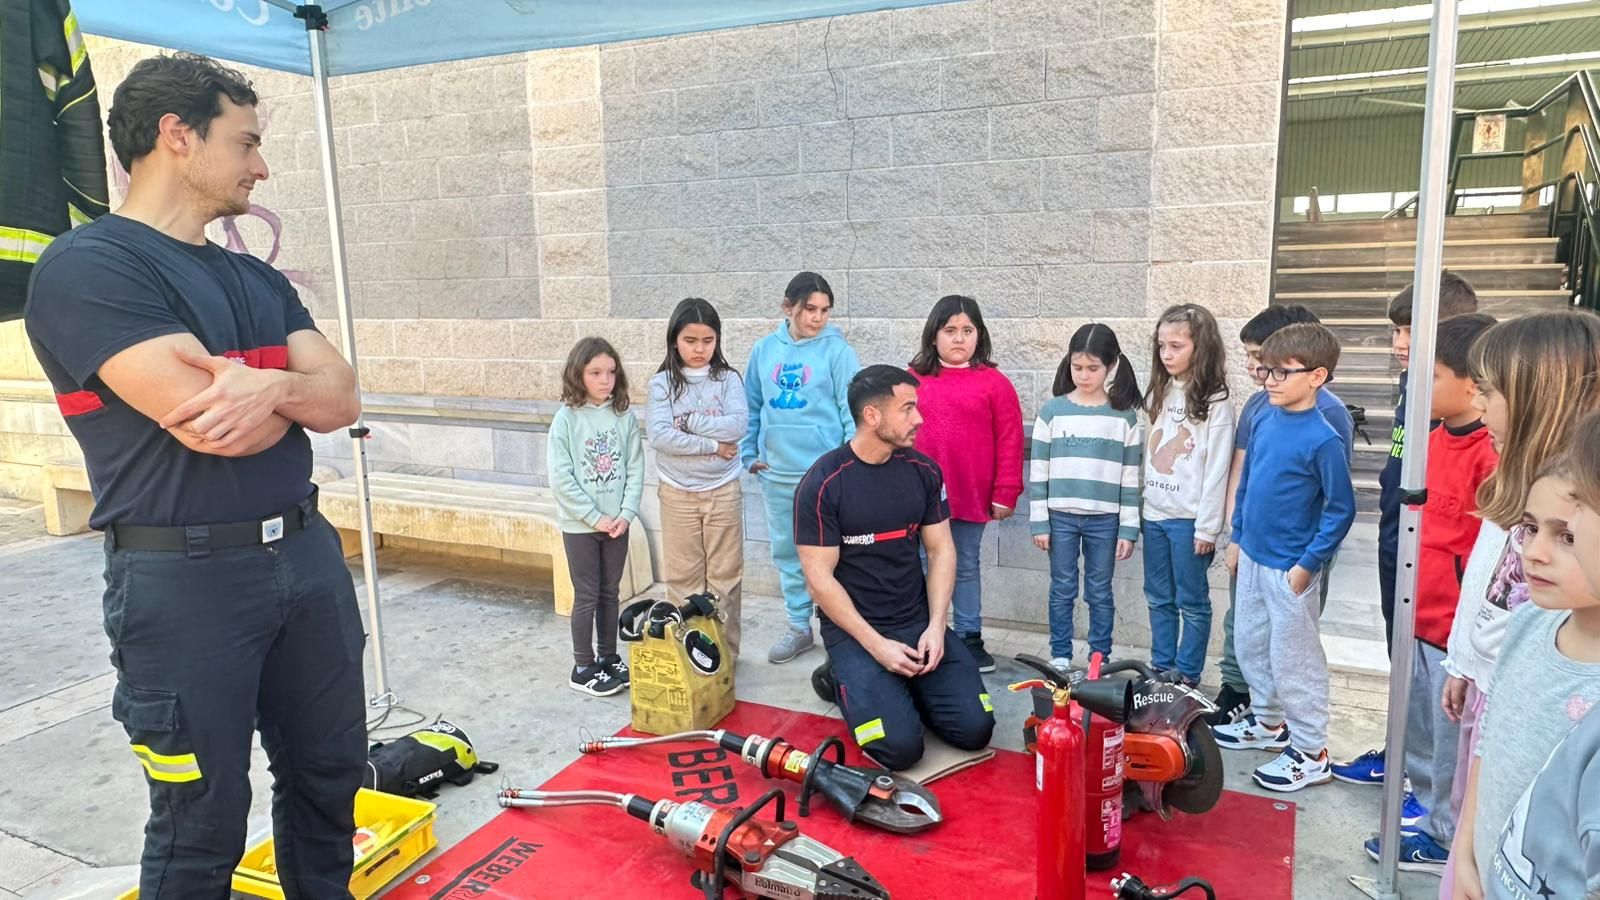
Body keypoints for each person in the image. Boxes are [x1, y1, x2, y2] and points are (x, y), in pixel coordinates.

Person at [23, 54, 365, 897]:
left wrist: (274, 386)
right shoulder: (88, 269)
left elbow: (343, 395)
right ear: (178, 136)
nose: (262, 166)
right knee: (199, 825)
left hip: (308, 558)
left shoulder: (256, 277)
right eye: (245, 141)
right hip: (183, 581)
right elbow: (217, 429)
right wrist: (293, 391)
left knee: (330, 782)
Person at [1436, 310, 1600, 894]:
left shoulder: (1563, 502)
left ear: (1539, 394)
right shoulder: (1522, 489)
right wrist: (1465, 662)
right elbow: (1492, 593)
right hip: (1496, 687)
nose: (1480, 408)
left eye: (1490, 391)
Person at [1354, 314, 1499, 871]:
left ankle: (1444, 832)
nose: (1418, 388)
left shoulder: (1491, 453)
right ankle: (1425, 806)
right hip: (1416, 615)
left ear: (1473, 383)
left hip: (1453, 631)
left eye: (1431, 377)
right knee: (1415, 722)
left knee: (1448, 738)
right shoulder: (1428, 440)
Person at [797, 366, 995, 770]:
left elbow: (942, 550)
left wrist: (937, 626)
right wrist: (876, 647)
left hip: (917, 622)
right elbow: (819, 581)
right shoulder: (823, 483)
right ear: (873, 416)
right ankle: (839, 676)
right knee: (900, 749)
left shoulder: (922, 471)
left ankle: (904, 684)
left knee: (976, 729)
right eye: (907, 409)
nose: (919, 419)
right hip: (856, 632)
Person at [1344, 275, 1481, 786]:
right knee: (1401, 652)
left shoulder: (1463, 413)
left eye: (1409, 330)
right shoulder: (1414, 384)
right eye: (1395, 331)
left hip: (1437, 551)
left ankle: (1427, 775)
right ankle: (1402, 750)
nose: (1399, 343)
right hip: (1396, 530)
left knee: (1430, 670)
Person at [1448, 454, 1600, 900]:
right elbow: (1490, 739)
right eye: (1531, 528)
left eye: (1568, 536)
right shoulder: (1527, 622)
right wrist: (1466, 852)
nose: (1533, 552)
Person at [1214, 323, 1355, 792]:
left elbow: (1341, 509)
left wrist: (1308, 563)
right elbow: (1250, 481)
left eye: (1280, 372)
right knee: (1251, 643)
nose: (1268, 379)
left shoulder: (1324, 438)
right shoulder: (1265, 420)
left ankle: (1311, 750)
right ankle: (1267, 721)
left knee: (1295, 659)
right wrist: (1237, 537)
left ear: (1317, 376)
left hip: (1290, 567)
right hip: (1252, 556)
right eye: (1265, 370)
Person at [741, 272, 860, 664]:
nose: (818, 318)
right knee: (787, 554)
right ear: (788, 307)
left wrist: (849, 465)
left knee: (834, 557)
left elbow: (851, 412)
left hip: (825, 477)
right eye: (810, 309)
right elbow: (752, 407)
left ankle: (839, 632)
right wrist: (749, 454)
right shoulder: (763, 350)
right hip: (777, 474)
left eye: (825, 310)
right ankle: (797, 627)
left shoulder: (838, 352)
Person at [908, 295, 1024, 673]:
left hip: (971, 494)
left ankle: (970, 635)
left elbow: (1010, 440)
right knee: (925, 562)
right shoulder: (912, 380)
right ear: (934, 334)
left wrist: (1006, 491)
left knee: (966, 563)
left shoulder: (995, 383)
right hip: (922, 498)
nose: (959, 339)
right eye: (950, 330)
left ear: (980, 335)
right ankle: (929, 629)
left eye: (967, 331)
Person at [1029, 324, 1143, 671]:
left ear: (1111, 366)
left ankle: (1099, 657)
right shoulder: (1052, 412)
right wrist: (1039, 521)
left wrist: (1128, 529)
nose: (1083, 375)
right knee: (1062, 587)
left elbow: (1129, 479)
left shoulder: (1124, 417)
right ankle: (1060, 654)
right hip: (1060, 516)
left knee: (1099, 591)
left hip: (1105, 520)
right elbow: (1039, 470)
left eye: (1092, 368)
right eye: (1077, 367)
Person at [647, 298, 748, 656]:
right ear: (675, 339)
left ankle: (725, 657)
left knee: (725, 579)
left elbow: (737, 424)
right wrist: (713, 444)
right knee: (683, 581)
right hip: (677, 494)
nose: (700, 349)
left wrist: (687, 422)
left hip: (723, 491)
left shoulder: (728, 379)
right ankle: (690, 655)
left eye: (708, 340)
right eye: (691, 340)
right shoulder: (662, 384)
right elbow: (660, 437)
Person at [1142, 304, 1234, 687]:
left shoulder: (1216, 401)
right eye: (1162, 346)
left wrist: (1208, 528)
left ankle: (1188, 676)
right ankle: (1162, 668)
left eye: (1176, 346)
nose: (1166, 354)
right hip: (1154, 514)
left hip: (1189, 521)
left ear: (1201, 347)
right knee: (1157, 596)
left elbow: (1217, 469)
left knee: (1192, 602)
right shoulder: (1160, 389)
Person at [549, 336, 644, 697]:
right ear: (578, 375)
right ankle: (583, 665)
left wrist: (626, 513)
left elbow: (635, 467)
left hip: (617, 524)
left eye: (611, 372)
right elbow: (562, 479)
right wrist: (593, 517)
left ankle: (608, 656)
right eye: (595, 373)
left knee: (611, 592)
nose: (606, 380)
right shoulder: (566, 420)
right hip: (580, 527)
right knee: (587, 594)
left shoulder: (624, 416)